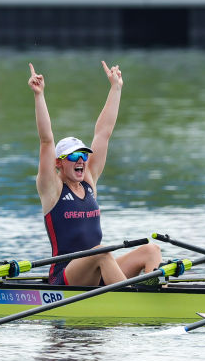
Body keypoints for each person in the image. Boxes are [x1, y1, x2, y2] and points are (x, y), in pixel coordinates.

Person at [30, 61, 161, 286]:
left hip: (98, 270)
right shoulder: (52, 189)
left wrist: (115, 89)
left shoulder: (89, 180)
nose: (80, 160)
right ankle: (131, 304)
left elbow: (103, 133)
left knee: (152, 249)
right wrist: (39, 96)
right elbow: (46, 140)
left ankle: (161, 296)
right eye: (73, 157)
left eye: (83, 155)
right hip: (65, 278)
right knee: (101, 251)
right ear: (59, 164)